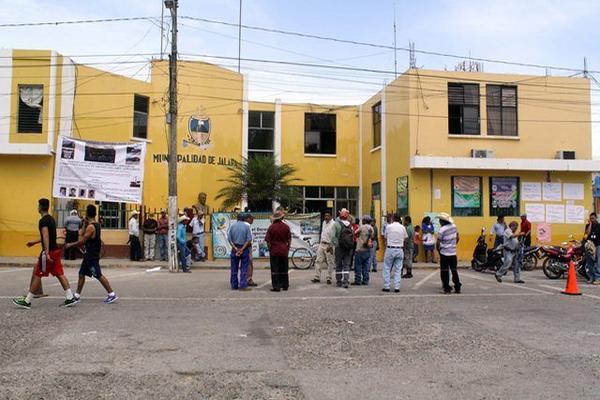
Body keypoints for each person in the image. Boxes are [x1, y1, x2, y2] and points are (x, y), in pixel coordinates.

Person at [12, 198, 77, 309]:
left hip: (49, 252)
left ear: (40, 207)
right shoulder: (51, 219)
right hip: (55, 250)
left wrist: (46, 253)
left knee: (38, 273)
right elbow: (48, 236)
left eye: (38, 205)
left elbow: (46, 236)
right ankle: (70, 297)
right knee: (59, 274)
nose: (37, 207)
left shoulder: (43, 221)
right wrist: (34, 242)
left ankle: (27, 301)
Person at [64, 205, 118, 304]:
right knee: (81, 274)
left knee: (98, 275)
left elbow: (82, 240)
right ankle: (77, 295)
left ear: (87, 214)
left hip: (92, 255)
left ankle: (111, 294)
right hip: (88, 254)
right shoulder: (96, 225)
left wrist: (70, 244)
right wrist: (84, 223)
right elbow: (83, 234)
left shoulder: (91, 227)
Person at [265, 210, 292, 292]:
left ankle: (276, 286)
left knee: (275, 269)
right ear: (282, 218)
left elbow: (268, 241)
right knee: (284, 268)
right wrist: (287, 248)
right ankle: (285, 285)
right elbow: (289, 239)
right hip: (284, 250)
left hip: (274, 250)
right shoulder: (286, 227)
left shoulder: (271, 227)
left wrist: (270, 249)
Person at [382, 213, 407, 293]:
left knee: (387, 267)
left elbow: (385, 237)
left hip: (390, 248)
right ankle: (397, 287)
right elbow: (405, 239)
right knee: (398, 269)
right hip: (400, 249)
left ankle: (387, 286)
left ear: (393, 218)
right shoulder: (403, 227)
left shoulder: (389, 227)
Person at [437, 213, 461, 294]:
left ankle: (447, 288)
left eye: (440, 220)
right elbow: (457, 237)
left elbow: (438, 242)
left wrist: (439, 250)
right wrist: (453, 245)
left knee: (444, 271)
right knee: (454, 270)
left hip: (444, 253)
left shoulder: (442, 230)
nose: (439, 222)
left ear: (443, 221)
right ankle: (457, 287)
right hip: (453, 253)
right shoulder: (454, 226)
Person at [227, 213, 252, 290]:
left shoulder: (232, 226)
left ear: (237, 219)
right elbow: (248, 240)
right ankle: (243, 285)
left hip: (235, 249)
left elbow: (229, 239)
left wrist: (235, 248)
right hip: (244, 249)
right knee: (244, 268)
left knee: (234, 268)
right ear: (244, 219)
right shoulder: (246, 227)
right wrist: (242, 249)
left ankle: (234, 285)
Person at [312, 211, 336, 284]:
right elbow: (323, 233)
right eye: (325, 215)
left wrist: (331, 246)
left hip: (329, 245)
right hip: (322, 244)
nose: (326, 217)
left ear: (331, 216)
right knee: (318, 260)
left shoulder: (334, 224)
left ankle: (329, 278)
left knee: (330, 262)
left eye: (328, 216)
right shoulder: (324, 223)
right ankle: (317, 277)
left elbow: (334, 237)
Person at [332, 208, 354, 289]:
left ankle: (339, 281)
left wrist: (335, 245)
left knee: (338, 265)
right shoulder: (350, 225)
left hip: (339, 248)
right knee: (346, 265)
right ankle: (346, 281)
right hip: (348, 248)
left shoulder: (336, 224)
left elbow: (333, 237)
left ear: (340, 216)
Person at [352, 215, 375, 286]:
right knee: (366, 266)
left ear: (364, 220)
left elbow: (354, 233)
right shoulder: (371, 228)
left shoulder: (361, 227)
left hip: (360, 249)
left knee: (358, 266)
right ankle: (365, 280)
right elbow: (372, 237)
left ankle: (358, 280)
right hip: (367, 250)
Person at [584, 212, 600, 284]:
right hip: (589, 245)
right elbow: (587, 234)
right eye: (590, 219)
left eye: (593, 218)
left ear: (596, 218)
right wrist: (590, 224)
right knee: (589, 262)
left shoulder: (599, 226)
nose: (592, 220)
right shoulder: (588, 226)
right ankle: (591, 277)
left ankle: (597, 278)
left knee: (597, 262)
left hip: (597, 245)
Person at [245, 213, 257, 287]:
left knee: (246, 263)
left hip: (245, 246)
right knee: (250, 263)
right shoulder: (247, 226)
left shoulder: (245, 225)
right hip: (247, 246)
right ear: (247, 219)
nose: (252, 220)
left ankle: (246, 279)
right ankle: (249, 279)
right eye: (251, 219)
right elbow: (248, 238)